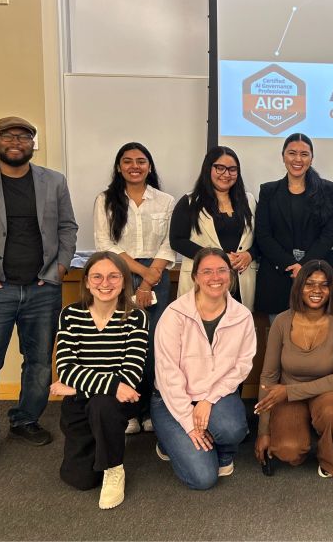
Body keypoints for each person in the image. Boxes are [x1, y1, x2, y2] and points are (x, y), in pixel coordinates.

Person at [0, 116, 78, 470]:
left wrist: (60, 267)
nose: (16, 141)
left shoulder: (54, 181)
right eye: (8, 135)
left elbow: (66, 226)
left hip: (42, 288)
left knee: (41, 363)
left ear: (33, 143)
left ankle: (25, 419)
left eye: (24, 136)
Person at [151, 247, 256, 489]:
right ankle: (168, 440)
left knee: (232, 429)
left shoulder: (242, 316)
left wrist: (208, 400)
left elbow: (242, 366)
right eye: (207, 271)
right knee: (203, 478)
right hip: (172, 400)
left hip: (215, 396)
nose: (215, 278)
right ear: (195, 277)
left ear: (230, 275)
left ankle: (222, 452)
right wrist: (189, 423)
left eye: (221, 271)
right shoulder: (174, 315)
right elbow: (168, 376)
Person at [51, 251, 148, 509]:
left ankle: (114, 468)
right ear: (86, 282)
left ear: (125, 281)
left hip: (114, 403)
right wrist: (113, 385)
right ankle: (102, 442)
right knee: (78, 479)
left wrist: (75, 387)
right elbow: (65, 368)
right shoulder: (70, 315)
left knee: (102, 404)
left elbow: (132, 373)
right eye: (97, 276)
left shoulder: (136, 316)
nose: (105, 283)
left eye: (113, 276)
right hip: (84, 403)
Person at [93, 142, 175, 435]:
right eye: (127, 161)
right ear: (119, 167)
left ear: (150, 167)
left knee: (154, 344)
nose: (134, 166)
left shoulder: (165, 200)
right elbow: (107, 245)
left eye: (141, 161)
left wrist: (151, 279)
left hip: (158, 277)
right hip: (117, 277)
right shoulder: (105, 200)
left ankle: (152, 409)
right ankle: (127, 411)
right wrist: (142, 274)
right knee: (121, 344)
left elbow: (169, 243)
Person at [254, 260, 333, 478]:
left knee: (331, 412)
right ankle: (304, 432)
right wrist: (263, 431)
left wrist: (289, 391)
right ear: (299, 287)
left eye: (324, 284)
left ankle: (326, 447)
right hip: (290, 395)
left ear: (332, 289)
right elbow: (268, 376)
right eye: (309, 284)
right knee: (288, 452)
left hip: (329, 392)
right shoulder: (281, 321)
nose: (316, 290)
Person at [254, 133, 333, 318]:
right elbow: (263, 235)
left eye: (304, 154)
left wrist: (304, 267)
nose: (298, 159)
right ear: (283, 156)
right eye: (292, 153)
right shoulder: (268, 191)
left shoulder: (328, 190)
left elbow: (329, 234)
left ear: (311, 158)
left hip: (317, 275)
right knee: (280, 340)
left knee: (318, 341)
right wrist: (291, 265)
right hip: (278, 276)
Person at [170, 146, 257, 309]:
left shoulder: (249, 200)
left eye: (232, 169)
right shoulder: (190, 202)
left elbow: (261, 237)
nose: (226, 174)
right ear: (208, 168)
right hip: (204, 281)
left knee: (236, 329)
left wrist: (250, 254)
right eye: (220, 168)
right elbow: (177, 241)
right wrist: (217, 258)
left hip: (240, 282)